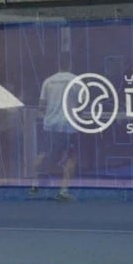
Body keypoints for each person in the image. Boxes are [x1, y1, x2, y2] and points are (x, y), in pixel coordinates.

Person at [31, 61, 79, 201]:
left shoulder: (48, 81)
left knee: (43, 153)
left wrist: (51, 113)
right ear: (70, 65)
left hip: (50, 124)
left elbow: (42, 105)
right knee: (71, 157)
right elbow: (81, 102)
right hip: (69, 125)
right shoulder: (75, 80)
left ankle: (34, 185)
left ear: (58, 65)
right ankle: (63, 191)